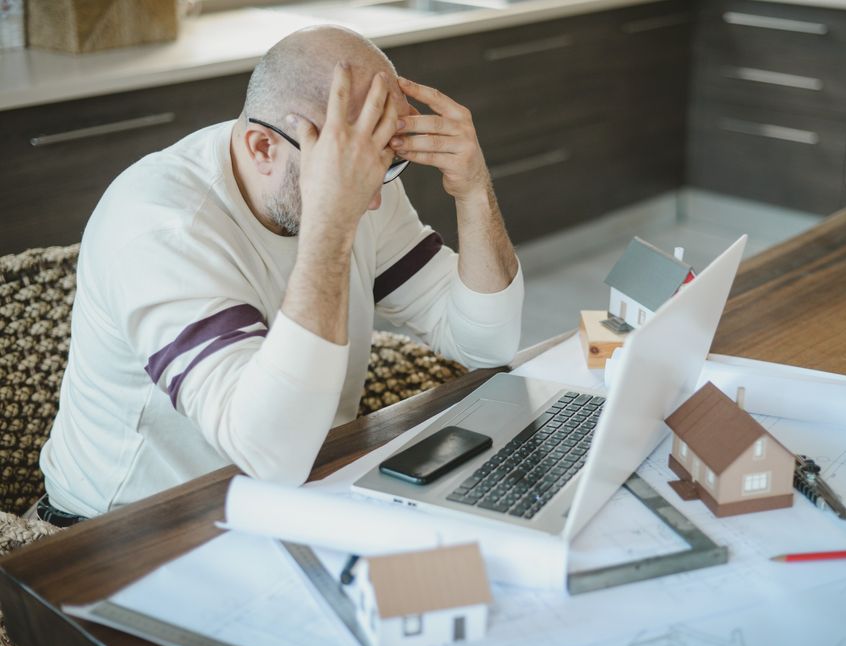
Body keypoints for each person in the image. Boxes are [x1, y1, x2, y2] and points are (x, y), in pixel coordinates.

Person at [34, 26, 522, 524]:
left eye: (387, 160)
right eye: (350, 166)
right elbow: (270, 455)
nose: (372, 198)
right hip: (120, 534)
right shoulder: (160, 226)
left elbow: (485, 344)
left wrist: (474, 189)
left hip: (286, 498)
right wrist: (332, 223)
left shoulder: (361, 176)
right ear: (262, 146)